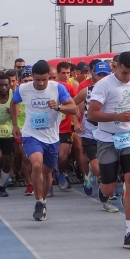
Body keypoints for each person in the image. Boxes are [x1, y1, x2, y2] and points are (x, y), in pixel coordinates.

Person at [87, 51, 130, 249]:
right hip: (107, 139)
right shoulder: (103, 85)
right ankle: (104, 190)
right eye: (124, 73)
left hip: (129, 137)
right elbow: (91, 114)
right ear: (115, 67)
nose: (128, 77)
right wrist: (116, 117)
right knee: (108, 188)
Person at [11, 60, 77, 222]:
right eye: (37, 79)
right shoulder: (23, 89)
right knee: (37, 164)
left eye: (44, 80)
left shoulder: (57, 88)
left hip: (52, 137)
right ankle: (38, 202)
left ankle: (44, 201)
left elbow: (74, 108)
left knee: (48, 172)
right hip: (31, 135)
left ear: (49, 77)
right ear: (32, 76)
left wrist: (58, 108)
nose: (41, 83)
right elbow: (14, 103)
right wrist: (14, 124)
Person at [73, 60, 109, 196]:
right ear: (93, 75)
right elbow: (72, 106)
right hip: (89, 133)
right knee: (97, 167)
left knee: (110, 165)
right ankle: (92, 176)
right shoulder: (86, 91)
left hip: (107, 133)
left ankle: (106, 187)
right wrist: (76, 122)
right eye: (99, 75)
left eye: (105, 75)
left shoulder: (114, 92)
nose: (101, 78)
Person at [55, 61, 79, 190]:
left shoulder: (68, 87)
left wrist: (76, 121)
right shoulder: (50, 86)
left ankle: (61, 173)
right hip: (50, 128)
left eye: (68, 73)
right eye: (63, 73)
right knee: (53, 156)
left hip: (65, 127)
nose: (65, 76)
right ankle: (53, 174)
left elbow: (78, 101)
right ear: (57, 74)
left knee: (63, 156)